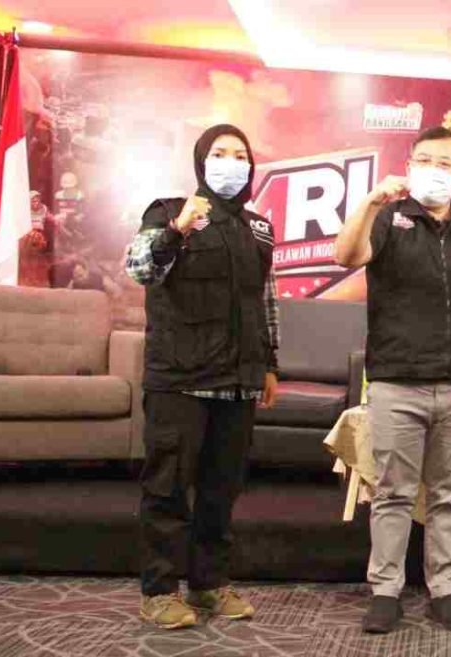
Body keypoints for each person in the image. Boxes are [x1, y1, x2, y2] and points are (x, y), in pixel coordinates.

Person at [334, 126, 451, 635]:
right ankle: (385, 591)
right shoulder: (387, 218)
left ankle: (446, 591)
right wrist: (370, 202)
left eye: (445, 163)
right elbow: (346, 256)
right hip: (396, 380)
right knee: (392, 492)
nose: (434, 170)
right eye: (425, 160)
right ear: (410, 166)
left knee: (450, 495)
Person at [124, 124, 280, 629]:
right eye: (219, 153)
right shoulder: (168, 210)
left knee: (221, 489)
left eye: (240, 155)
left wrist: (270, 364)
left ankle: (209, 585)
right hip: (180, 378)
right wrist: (178, 230)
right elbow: (139, 268)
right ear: (200, 161)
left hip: (239, 381)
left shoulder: (259, 227)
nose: (230, 162)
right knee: (167, 488)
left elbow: (265, 301)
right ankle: (160, 591)